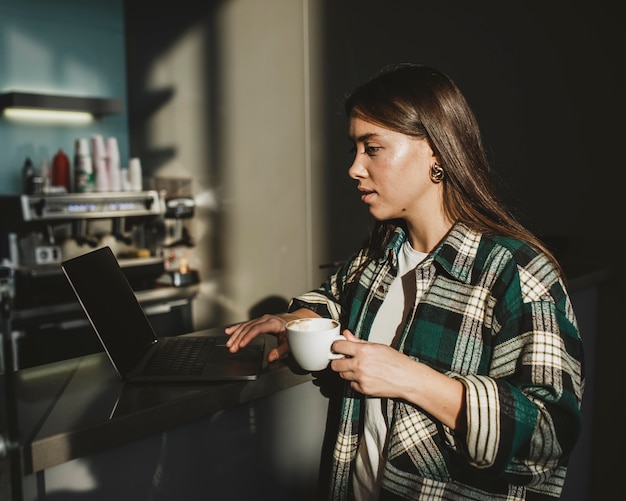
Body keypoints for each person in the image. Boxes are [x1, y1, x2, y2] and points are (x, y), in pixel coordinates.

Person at [225, 63, 584, 500]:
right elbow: (336, 298)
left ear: (436, 151)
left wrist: (410, 378)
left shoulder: (517, 271)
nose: (354, 168)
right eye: (355, 149)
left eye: (372, 148)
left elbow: (549, 436)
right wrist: (295, 319)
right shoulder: (379, 253)